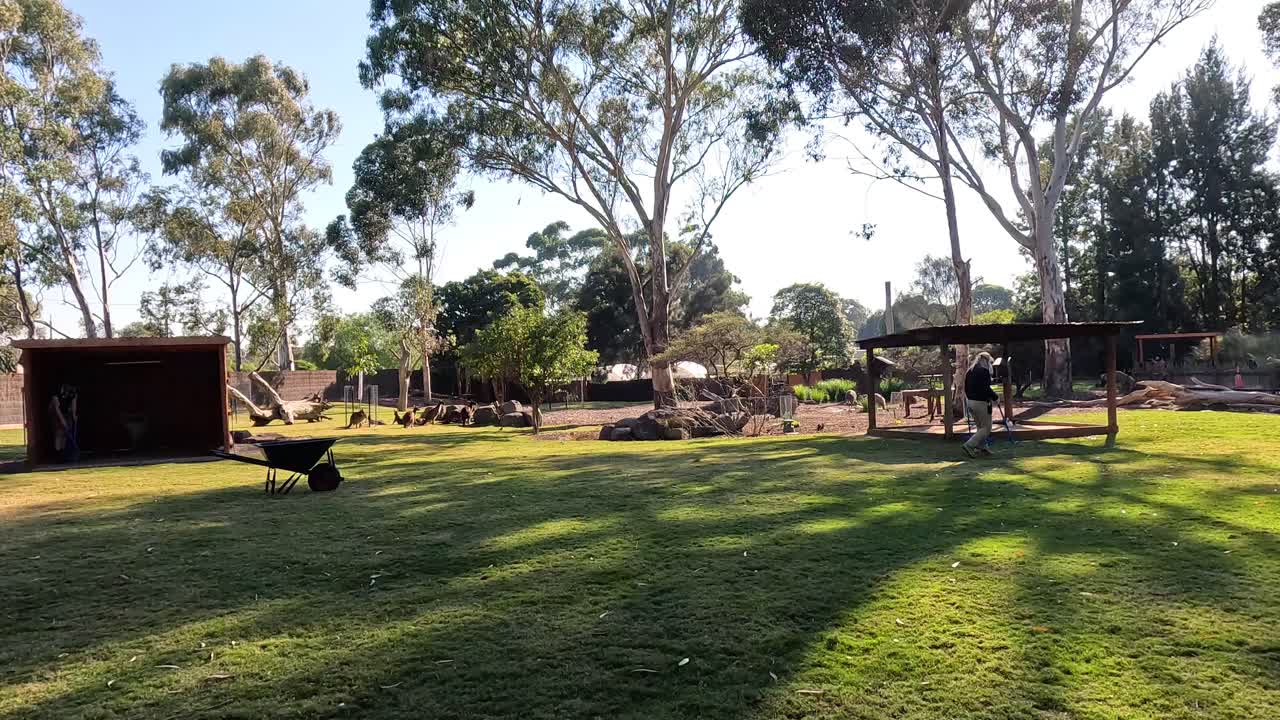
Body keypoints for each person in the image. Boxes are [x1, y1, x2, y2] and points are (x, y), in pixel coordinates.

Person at [962, 353, 999, 458]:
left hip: (970, 402)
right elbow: (986, 388)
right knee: (987, 428)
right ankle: (969, 445)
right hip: (980, 402)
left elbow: (966, 388)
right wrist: (995, 397)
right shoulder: (984, 371)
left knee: (980, 427)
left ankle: (982, 447)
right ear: (986, 361)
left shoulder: (970, 371)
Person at [50, 383, 78, 463]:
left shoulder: (73, 393)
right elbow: (57, 409)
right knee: (59, 433)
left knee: (66, 433)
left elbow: (73, 405)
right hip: (56, 413)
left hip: (66, 413)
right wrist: (63, 421)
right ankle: (57, 455)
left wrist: (74, 416)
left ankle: (62, 454)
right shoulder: (56, 393)